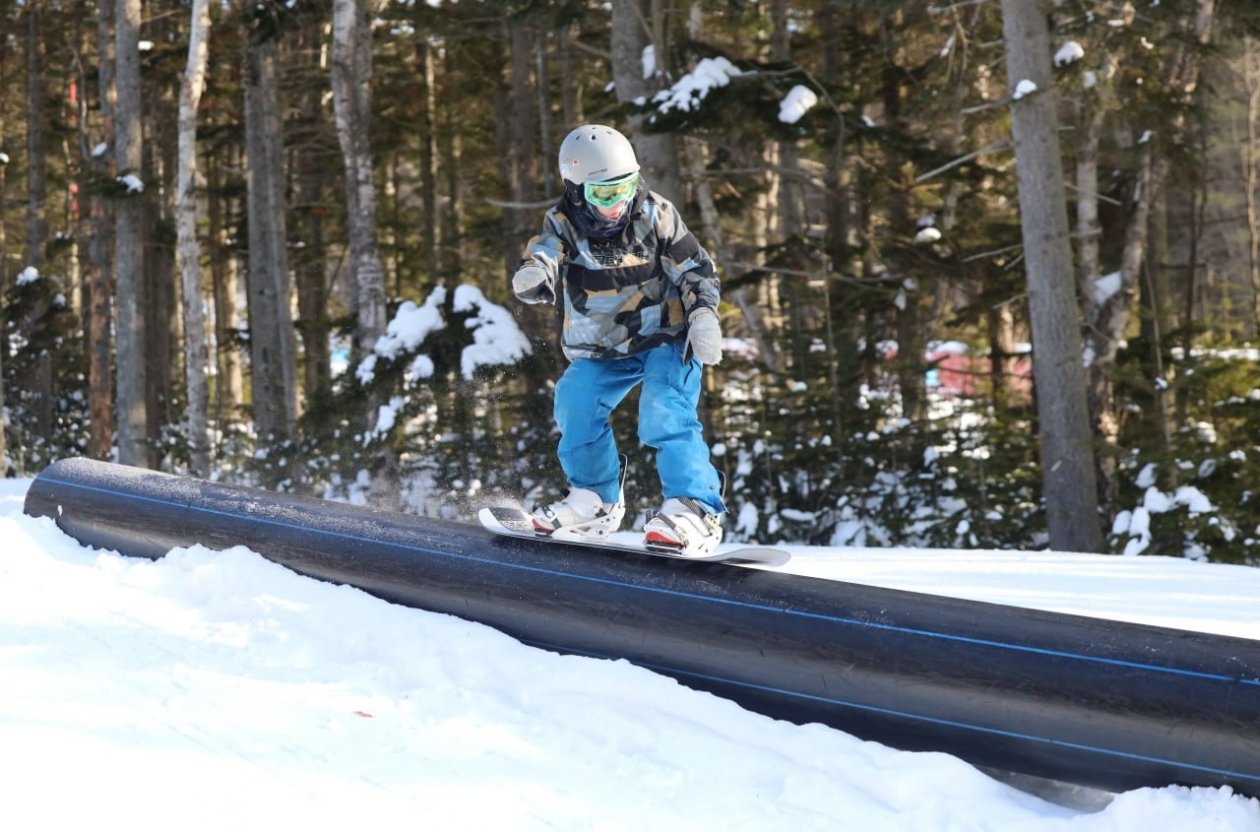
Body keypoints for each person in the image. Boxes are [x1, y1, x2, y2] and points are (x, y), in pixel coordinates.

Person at [511, 124, 726, 556]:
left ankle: (695, 508)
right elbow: (546, 250)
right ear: (576, 190)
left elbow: (697, 270)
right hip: (602, 347)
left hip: (665, 336)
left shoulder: (656, 214)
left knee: (664, 408)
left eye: (624, 188)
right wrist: (537, 271)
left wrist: (703, 313)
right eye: (603, 195)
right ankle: (595, 500)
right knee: (574, 402)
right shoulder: (563, 221)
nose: (617, 204)